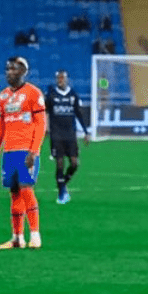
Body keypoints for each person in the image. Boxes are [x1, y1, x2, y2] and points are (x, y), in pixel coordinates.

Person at [0, 56, 46, 250]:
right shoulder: (3, 96)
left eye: (13, 69)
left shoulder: (33, 93)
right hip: (9, 152)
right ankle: (17, 238)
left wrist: (34, 151)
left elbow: (41, 125)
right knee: (14, 194)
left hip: (26, 151)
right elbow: (0, 127)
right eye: (7, 69)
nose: (9, 73)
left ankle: (35, 235)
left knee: (26, 189)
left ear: (23, 71)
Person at [45, 70, 91, 204]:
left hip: (70, 134)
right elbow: (45, 112)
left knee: (74, 164)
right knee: (60, 163)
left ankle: (63, 183)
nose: (60, 80)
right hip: (56, 134)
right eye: (58, 78)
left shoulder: (73, 95)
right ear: (56, 80)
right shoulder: (51, 95)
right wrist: (46, 128)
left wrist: (86, 132)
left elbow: (79, 114)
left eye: (62, 78)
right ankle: (61, 194)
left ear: (66, 79)